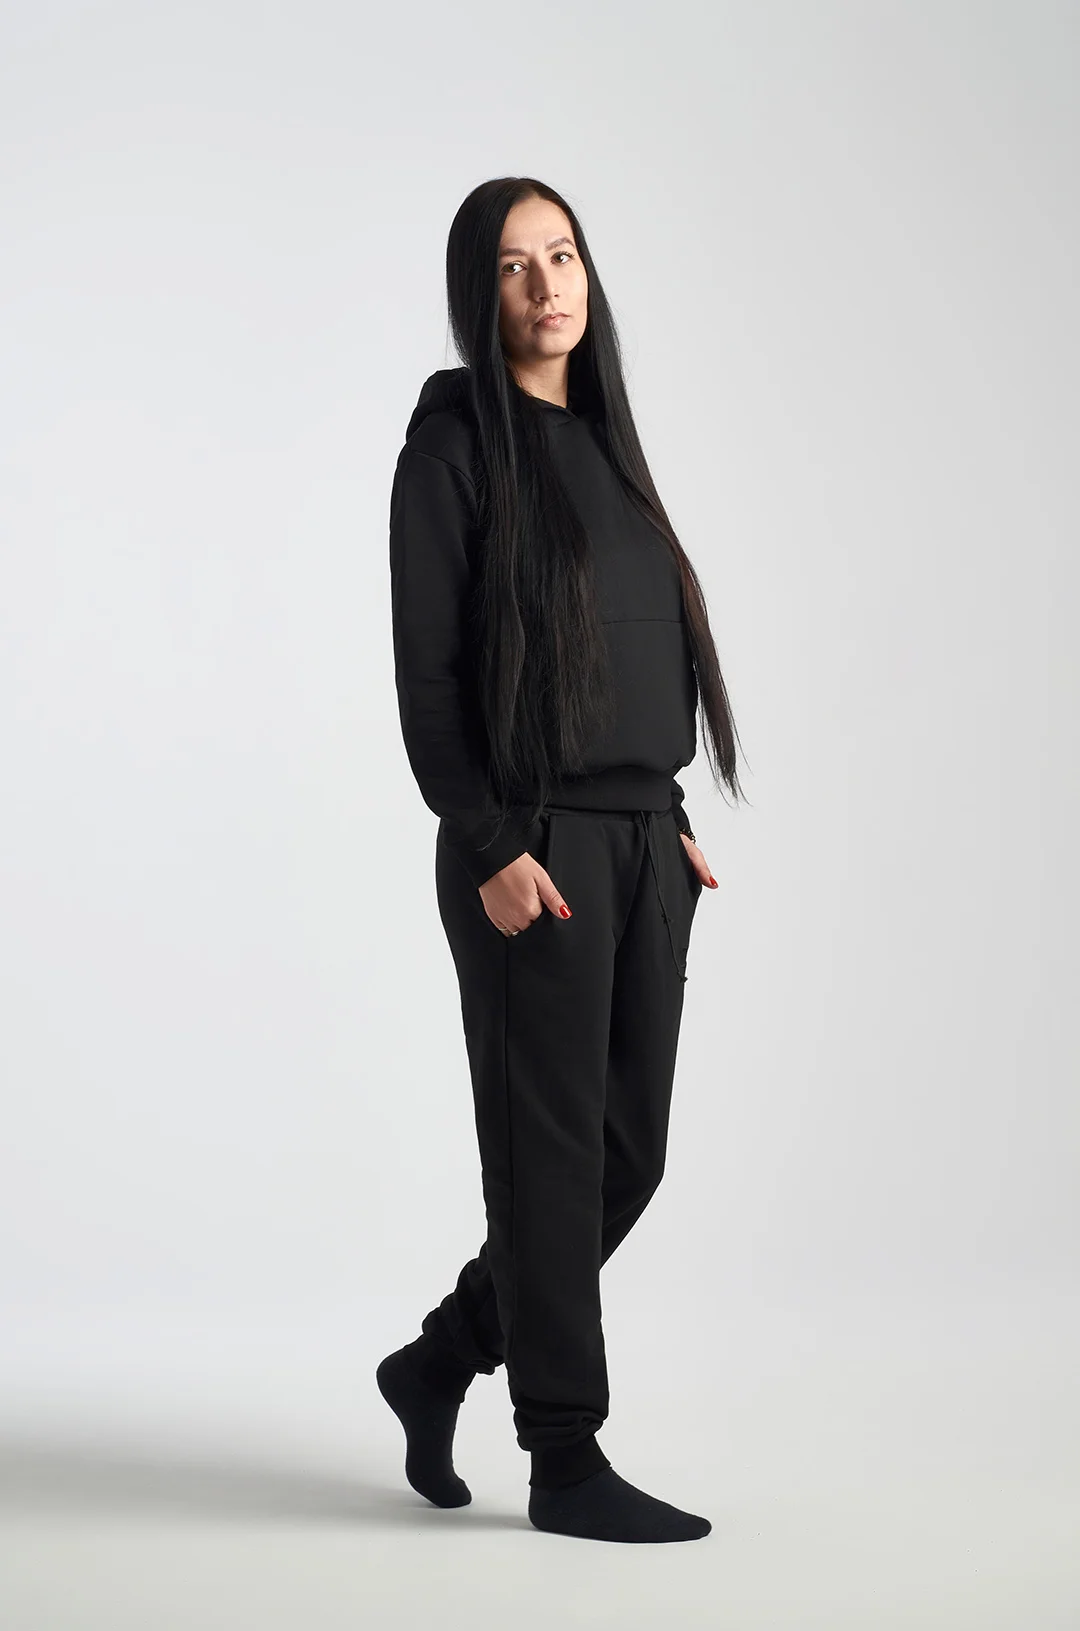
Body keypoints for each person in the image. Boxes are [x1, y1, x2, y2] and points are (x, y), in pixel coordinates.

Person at [377, 176, 746, 1544]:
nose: (548, 285)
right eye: (516, 266)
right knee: (548, 1162)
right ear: (479, 295)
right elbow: (430, 679)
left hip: (643, 841)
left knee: (625, 1157)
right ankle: (564, 1454)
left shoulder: (606, 441)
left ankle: (440, 1357)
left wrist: (667, 815)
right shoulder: (455, 447)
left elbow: (631, 649)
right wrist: (487, 842)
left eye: (566, 255)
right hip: (529, 848)